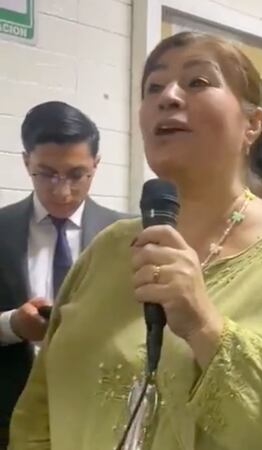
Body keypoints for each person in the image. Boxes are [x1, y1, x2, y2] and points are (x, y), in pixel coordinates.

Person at [10, 32, 262, 449]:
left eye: (197, 82)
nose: (168, 96)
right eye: (153, 86)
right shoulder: (107, 248)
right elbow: (38, 412)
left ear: (253, 124)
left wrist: (207, 329)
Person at [0, 101, 130, 449]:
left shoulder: (126, 234)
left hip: (101, 418)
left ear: (96, 165)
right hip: (10, 416)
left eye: (76, 175)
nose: (62, 191)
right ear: (27, 161)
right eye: (46, 173)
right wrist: (13, 326)